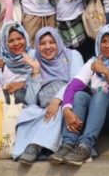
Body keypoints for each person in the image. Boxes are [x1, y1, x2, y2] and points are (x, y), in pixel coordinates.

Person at [54, 24, 109, 166]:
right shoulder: (93, 62)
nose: (107, 45)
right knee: (79, 95)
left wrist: (108, 73)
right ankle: (68, 144)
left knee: (101, 95)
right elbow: (73, 86)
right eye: (104, 41)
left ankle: (85, 146)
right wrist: (66, 109)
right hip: (96, 116)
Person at [13, 26, 84, 164]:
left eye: (52, 42)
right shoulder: (35, 60)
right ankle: (42, 147)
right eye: (42, 43)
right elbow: (31, 100)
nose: (47, 47)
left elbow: (76, 82)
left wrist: (57, 99)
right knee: (28, 111)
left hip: (67, 100)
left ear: (58, 41)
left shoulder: (73, 56)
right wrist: (36, 72)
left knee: (56, 111)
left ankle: (35, 145)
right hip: (43, 105)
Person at [0, 22, 34, 103]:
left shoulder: (35, 56)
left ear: (25, 38)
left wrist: (23, 84)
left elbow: (44, 81)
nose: (16, 43)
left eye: (19, 39)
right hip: (9, 109)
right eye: (11, 41)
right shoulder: (1, 62)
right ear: (5, 44)